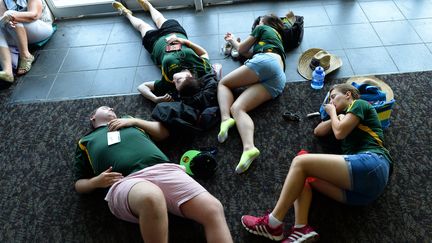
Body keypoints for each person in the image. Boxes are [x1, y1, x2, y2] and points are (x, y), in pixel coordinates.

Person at [240, 83, 393, 242]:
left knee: (300, 162)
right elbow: (318, 131)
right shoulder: (343, 116)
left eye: (334, 97)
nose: (331, 101)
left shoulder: (359, 104)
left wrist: (333, 112)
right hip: (363, 193)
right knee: (302, 172)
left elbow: (340, 133)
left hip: (374, 163)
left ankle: (273, 222)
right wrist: (336, 115)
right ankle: (301, 228)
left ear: (348, 95)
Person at [74, 106, 233, 243]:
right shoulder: (85, 141)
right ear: (93, 117)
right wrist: (96, 182)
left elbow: (162, 133)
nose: (112, 109)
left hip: (163, 170)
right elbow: (79, 184)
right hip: (125, 181)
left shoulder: (129, 121)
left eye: (113, 109)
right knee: (151, 198)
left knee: (213, 208)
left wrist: (134, 121)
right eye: (106, 108)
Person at [217, 14, 286, 174]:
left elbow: (242, 49)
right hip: (279, 78)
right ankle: (249, 148)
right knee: (238, 108)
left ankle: (225, 119)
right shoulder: (276, 39)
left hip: (266, 62)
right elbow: (249, 53)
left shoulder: (262, 27)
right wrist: (235, 43)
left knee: (223, 83)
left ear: (263, 23)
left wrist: (233, 40)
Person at [111, 0, 213, 103]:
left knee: (142, 26)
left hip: (155, 44)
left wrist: (155, 99)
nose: (173, 81)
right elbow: (204, 53)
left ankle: (126, 13)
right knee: (160, 19)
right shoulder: (202, 70)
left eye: (175, 84)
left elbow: (142, 87)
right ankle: (149, 6)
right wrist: (185, 42)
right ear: (190, 76)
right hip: (175, 34)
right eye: (178, 81)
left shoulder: (168, 83)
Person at [0, 0, 54, 83]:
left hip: (41, 27)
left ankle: (26, 56)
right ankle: (8, 71)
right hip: (18, 32)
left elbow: (35, 15)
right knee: (5, 20)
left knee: (10, 14)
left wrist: (11, 16)